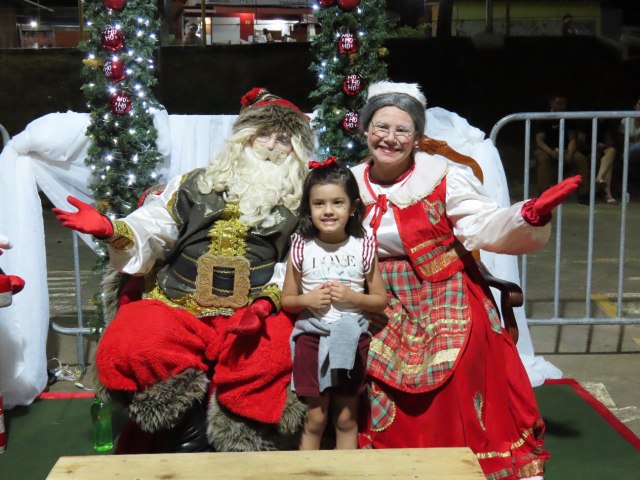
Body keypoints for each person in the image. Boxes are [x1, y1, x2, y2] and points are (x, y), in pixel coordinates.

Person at [52, 87, 314, 453]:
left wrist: (265, 305)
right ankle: (187, 433)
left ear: (297, 150)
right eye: (263, 134)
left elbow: (295, 263)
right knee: (133, 341)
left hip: (252, 312)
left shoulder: (303, 199)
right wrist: (113, 230)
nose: (271, 145)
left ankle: (239, 445)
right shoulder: (195, 183)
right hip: (178, 304)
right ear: (243, 137)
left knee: (273, 358)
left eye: (284, 139)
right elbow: (155, 225)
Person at [350, 81, 582, 479]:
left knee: (460, 354)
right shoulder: (349, 183)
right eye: (381, 127)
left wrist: (527, 216)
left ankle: (461, 458)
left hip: (443, 286)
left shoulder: (443, 177)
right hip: (375, 290)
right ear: (366, 129)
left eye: (402, 130)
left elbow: (486, 225)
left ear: (418, 138)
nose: (390, 138)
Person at [281, 159, 387, 450]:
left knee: (345, 419)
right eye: (319, 204)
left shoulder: (363, 245)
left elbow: (380, 299)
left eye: (337, 202)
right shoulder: (301, 246)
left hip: (350, 338)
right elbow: (287, 300)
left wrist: (354, 298)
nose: (328, 211)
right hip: (312, 338)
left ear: (352, 207)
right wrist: (307, 300)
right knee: (314, 419)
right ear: (309, 208)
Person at [534, 93, 589, 203]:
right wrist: (550, 152)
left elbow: (572, 139)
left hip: (565, 149)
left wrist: (570, 153)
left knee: (580, 159)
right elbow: (539, 140)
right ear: (551, 103)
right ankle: (543, 193)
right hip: (547, 149)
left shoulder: (568, 118)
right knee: (543, 158)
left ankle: (583, 194)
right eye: (558, 103)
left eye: (563, 104)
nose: (561, 106)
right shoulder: (543, 118)